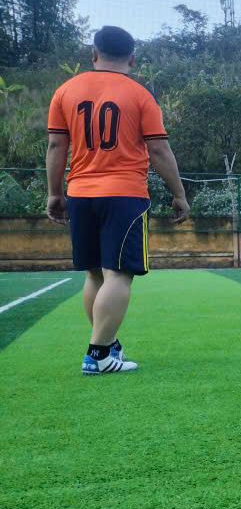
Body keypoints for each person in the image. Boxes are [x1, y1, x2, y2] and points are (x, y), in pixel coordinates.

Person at [45, 25, 190, 374]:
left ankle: (107, 346)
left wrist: (54, 193)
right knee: (120, 274)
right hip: (124, 195)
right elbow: (158, 149)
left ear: (94, 54)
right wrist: (179, 194)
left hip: (80, 194)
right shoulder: (140, 95)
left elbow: (56, 146)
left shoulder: (65, 91)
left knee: (95, 274)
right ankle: (98, 356)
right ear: (132, 59)